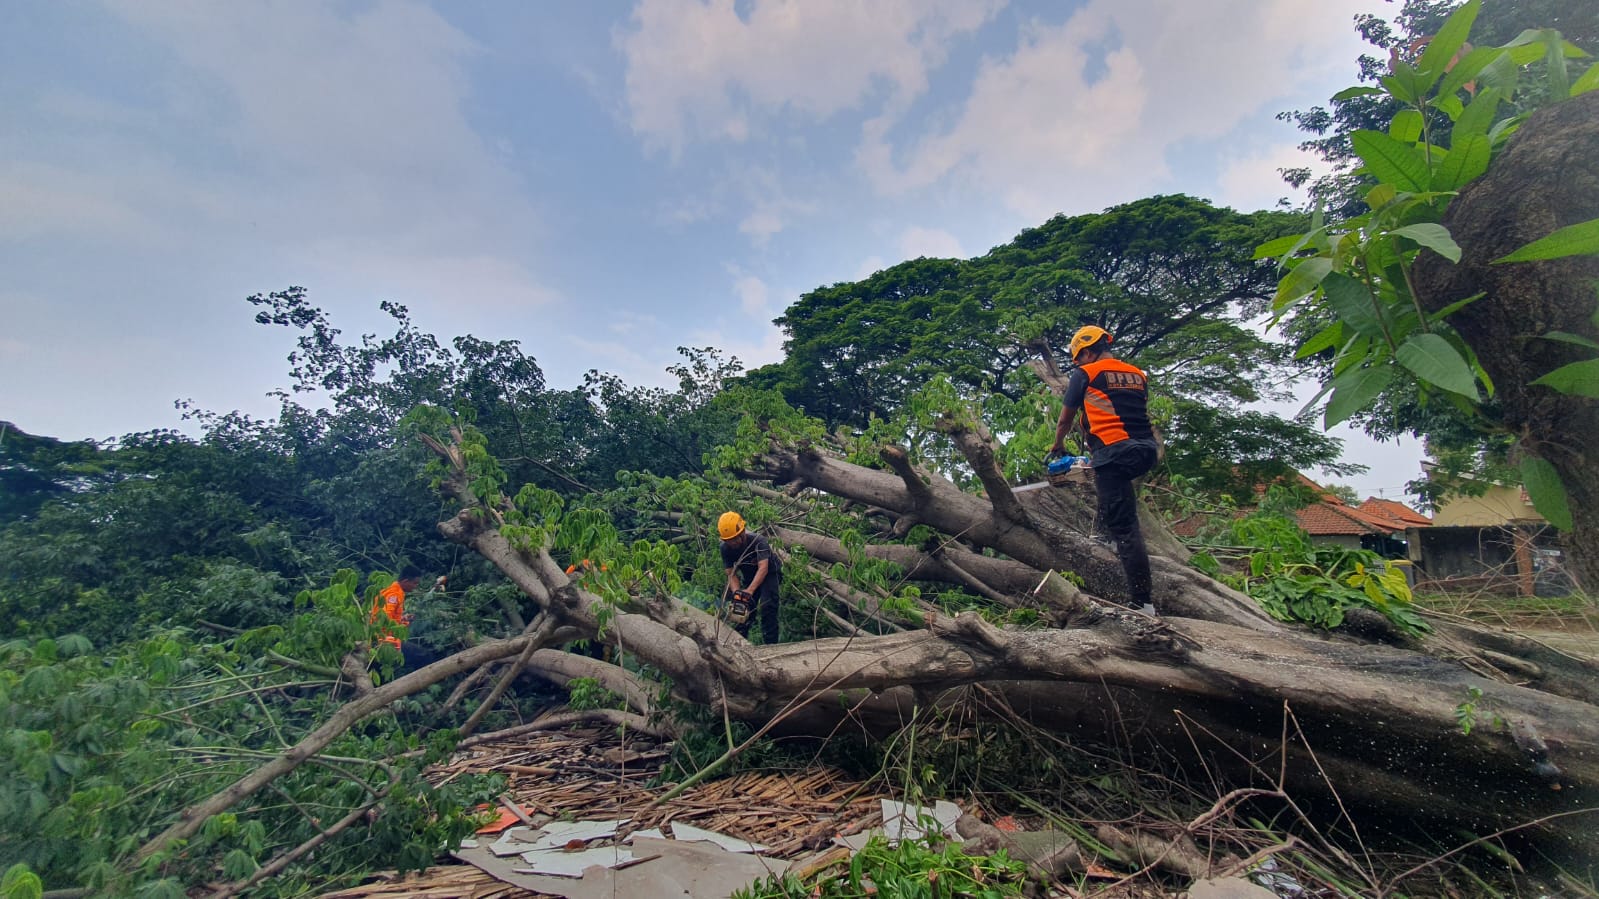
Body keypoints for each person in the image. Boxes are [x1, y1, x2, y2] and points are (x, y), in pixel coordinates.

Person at [1050, 325, 1160, 616]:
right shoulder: (1137, 374)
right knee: (1110, 489)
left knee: (1126, 527)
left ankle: (1143, 603)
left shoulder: (1085, 374)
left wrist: (1058, 445)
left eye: (1079, 358)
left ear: (1087, 352)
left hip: (1115, 452)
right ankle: (1103, 534)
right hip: (1146, 450)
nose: (1079, 363)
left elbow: (1065, 420)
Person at [718, 511, 782, 644]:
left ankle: (771, 645)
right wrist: (737, 593)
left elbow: (763, 568)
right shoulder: (725, 549)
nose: (733, 543)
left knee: (767, 605)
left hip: (770, 574)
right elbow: (731, 573)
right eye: (729, 541)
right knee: (741, 607)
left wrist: (750, 591)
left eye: (735, 539)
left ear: (742, 532)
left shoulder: (758, 541)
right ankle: (739, 642)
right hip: (750, 576)